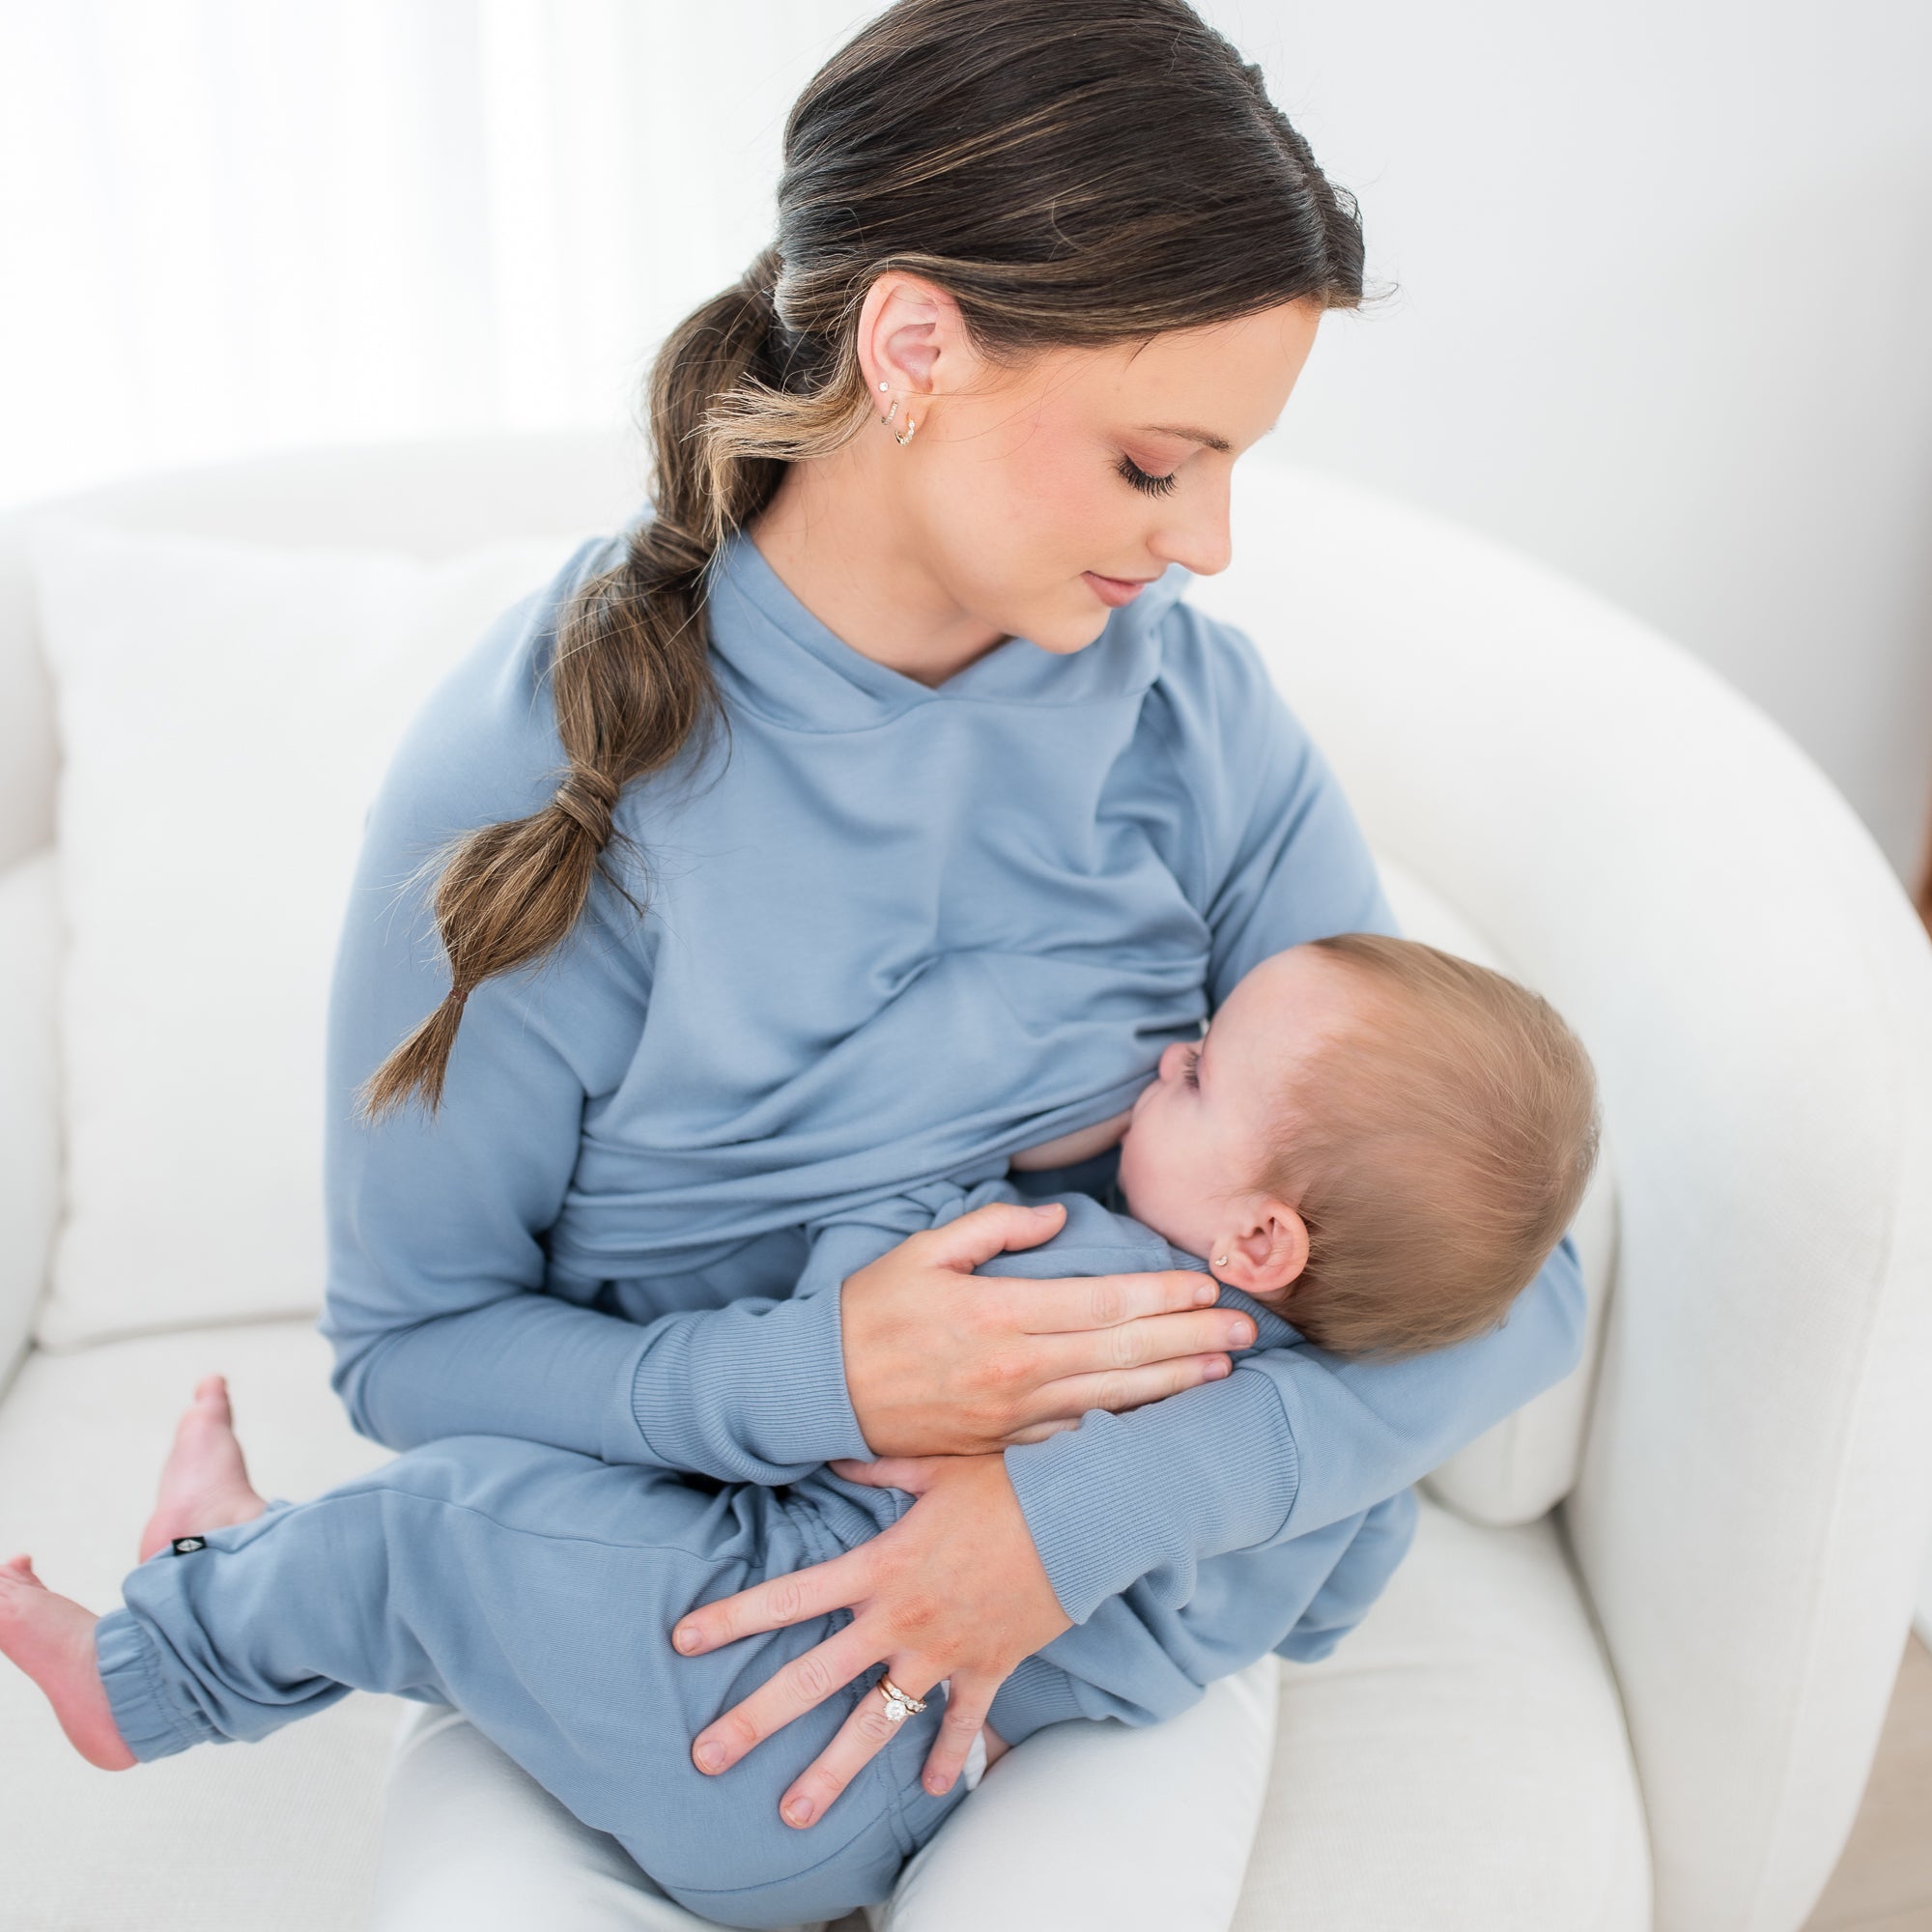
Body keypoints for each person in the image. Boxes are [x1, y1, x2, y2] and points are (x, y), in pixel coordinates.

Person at [304, 3, 1590, 1925]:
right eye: (1159, 462)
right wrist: (807, 1374)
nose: (1212, 544)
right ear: (915, 347)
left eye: (1231, 467)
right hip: (649, 1592)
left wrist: (1068, 1530)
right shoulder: (544, 777)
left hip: (1114, 1615)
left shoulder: (1191, 721)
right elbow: (410, 1358)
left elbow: (1503, 1280)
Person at [0, 932, 1599, 1931]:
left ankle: (151, 1672)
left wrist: (933, 1178)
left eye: (1192, 1078)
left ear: (1257, 1241)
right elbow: (1314, 1626)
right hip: (903, 1783)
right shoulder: (1343, 1471)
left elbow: (859, 1348)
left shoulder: (1079, 1270)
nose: (1154, 1069)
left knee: (447, 1521)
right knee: (509, 1527)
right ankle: (231, 1566)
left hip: (755, 1702)